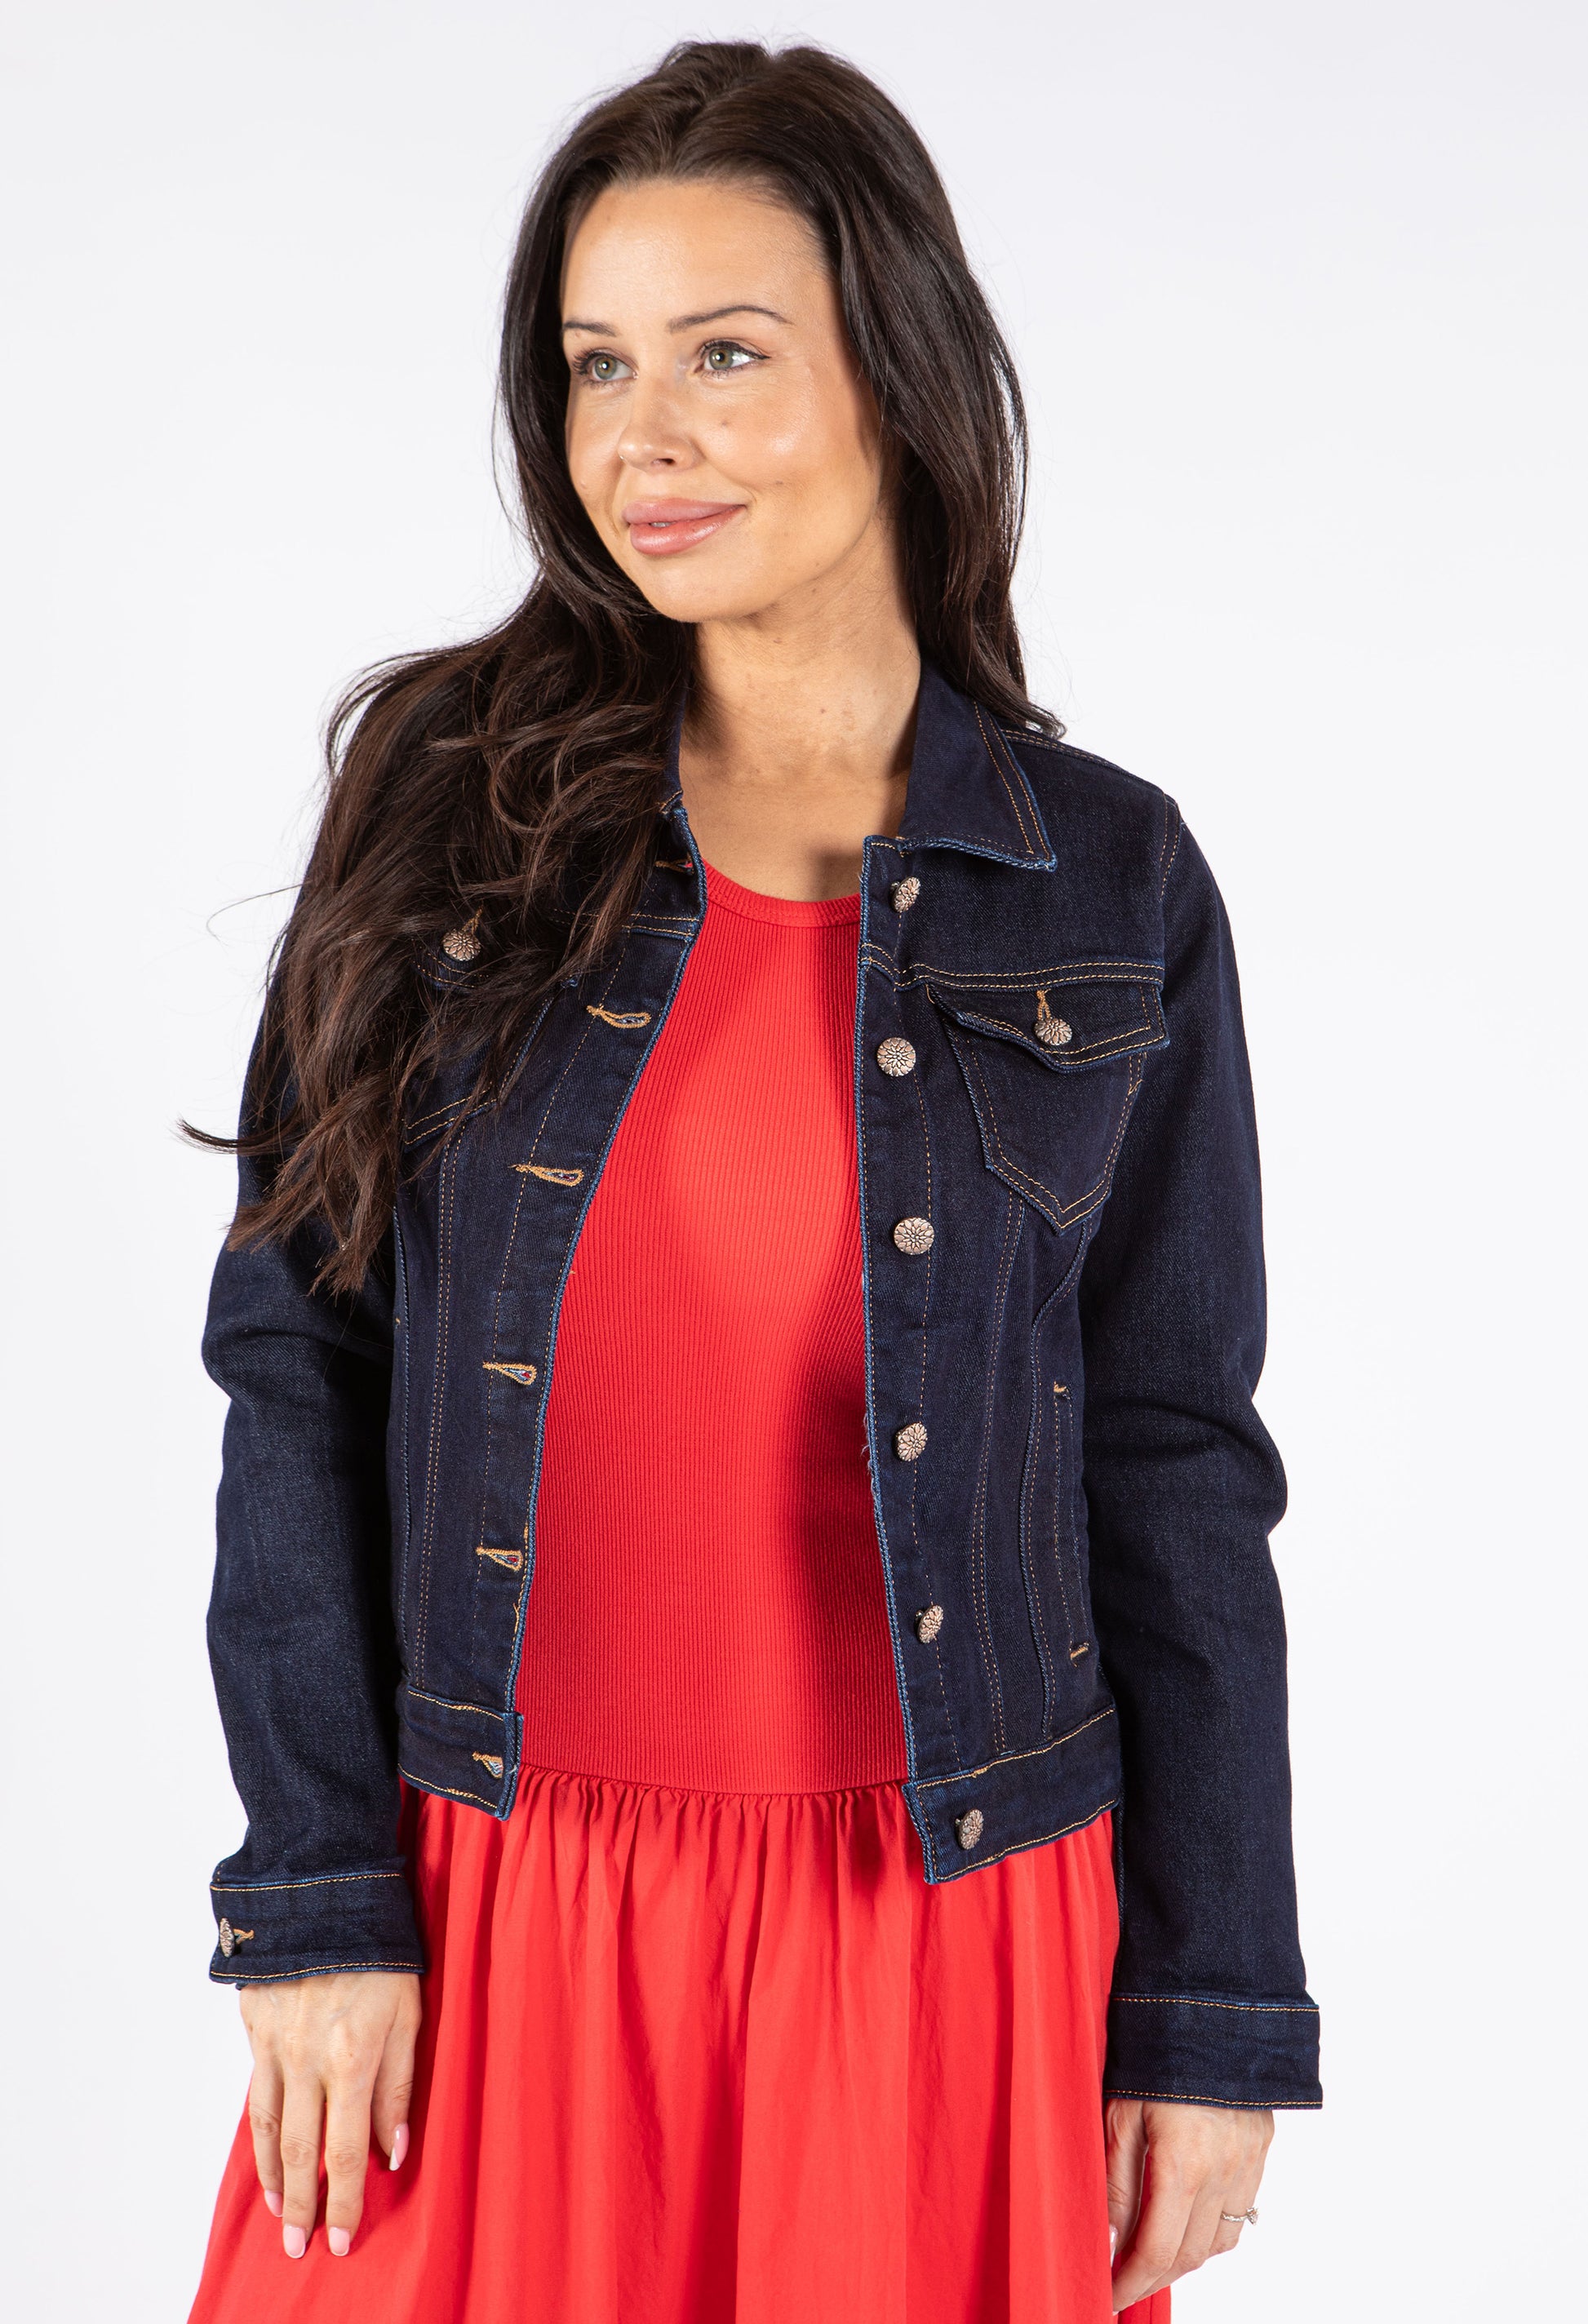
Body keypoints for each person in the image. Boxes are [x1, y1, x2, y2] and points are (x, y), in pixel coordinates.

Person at [186, 39, 1319, 2324]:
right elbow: (298, 1355)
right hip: (495, 1898)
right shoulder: (446, 804)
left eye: (723, 355)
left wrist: (1213, 2010)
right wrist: (313, 1894)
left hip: (948, 1927)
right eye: (596, 364)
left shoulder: (1108, 880)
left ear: (896, 373)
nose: (641, 438)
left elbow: (1172, 1457)